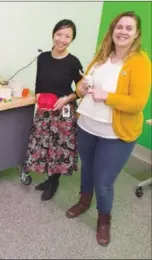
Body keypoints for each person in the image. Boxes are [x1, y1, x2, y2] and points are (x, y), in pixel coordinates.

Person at [66, 11, 151, 247]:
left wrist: (108, 97)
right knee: (87, 170)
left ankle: (104, 220)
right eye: (119, 26)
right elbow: (83, 86)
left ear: (136, 35)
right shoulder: (102, 56)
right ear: (112, 30)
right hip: (87, 126)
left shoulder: (140, 62)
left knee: (103, 180)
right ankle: (84, 201)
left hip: (116, 133)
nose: (122, 31)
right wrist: (81, 87)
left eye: (129, 28)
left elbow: (137, 103)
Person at [23, 19, 83, 201]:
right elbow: (39, 84)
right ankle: (49, 178)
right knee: (44, 145)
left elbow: (81, 90)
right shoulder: (43, 58)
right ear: (53, 34)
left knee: (58, 148)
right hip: (45, 109)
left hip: (63, 112)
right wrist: (38, 97)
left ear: (71, 40)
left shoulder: (73, 62)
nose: (62, 40)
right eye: (59, 34)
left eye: (67, 36)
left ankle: (54, 181)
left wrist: (67, 99)